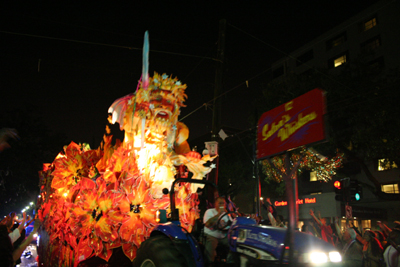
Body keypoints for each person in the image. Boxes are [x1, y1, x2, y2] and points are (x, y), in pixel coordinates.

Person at [203, 197, 232, 266]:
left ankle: (230, 262)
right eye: (220, 203)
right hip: (212, 234)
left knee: (234, 244)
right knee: (210, 248)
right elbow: (208, 224)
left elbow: (230, 224)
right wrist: (219, 214)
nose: (221, 205)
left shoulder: (227, 214)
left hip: (223, 236)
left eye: (223, 203)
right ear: (215, 204)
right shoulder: (209, 211)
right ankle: (210, 263)